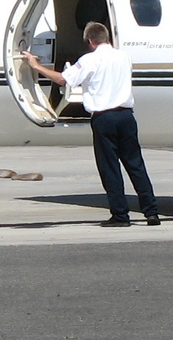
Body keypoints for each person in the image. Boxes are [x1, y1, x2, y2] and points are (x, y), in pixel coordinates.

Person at [27, 21, 159, 227]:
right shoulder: (123, 56)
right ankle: (151, 212)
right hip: (126, 116)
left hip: (104, 118)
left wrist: (36, 66)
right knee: (135, 164)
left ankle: (120, 215)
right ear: (106, 37)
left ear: (90, 41)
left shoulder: (89, 60)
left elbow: (63, 80)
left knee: (110, 168)